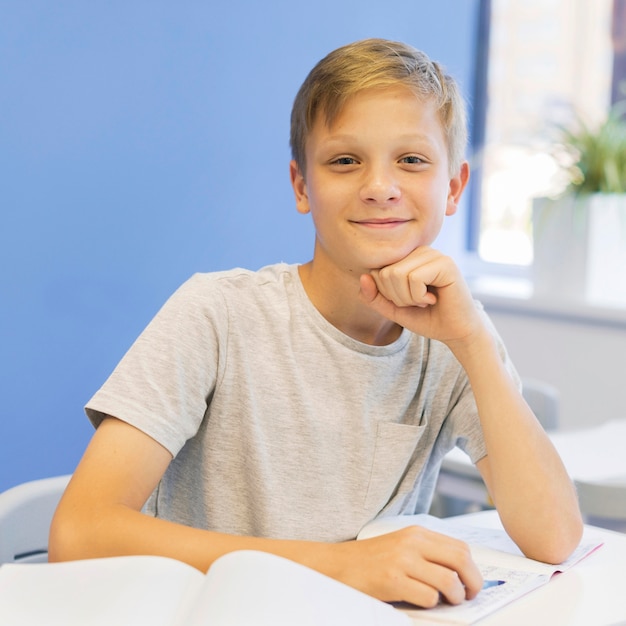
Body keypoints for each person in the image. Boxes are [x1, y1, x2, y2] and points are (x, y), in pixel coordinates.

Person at [49, 38, 582, 609]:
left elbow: (554, 538)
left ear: (453, 188)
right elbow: (79, 534)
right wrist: (342, 567)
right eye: (345, 161)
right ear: (303, 186)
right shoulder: (216, 313)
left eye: (413, 160)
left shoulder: (453, 335)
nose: (380, 186)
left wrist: (472, 339)